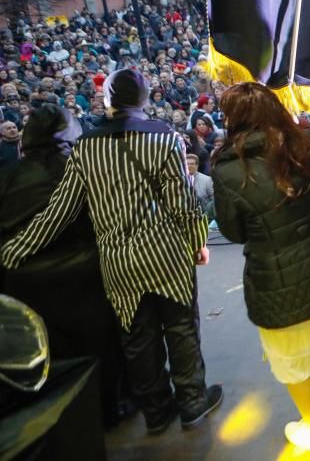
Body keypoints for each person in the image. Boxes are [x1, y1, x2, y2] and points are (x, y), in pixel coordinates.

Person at [0, 69, 222, 434]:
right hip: (166, 254)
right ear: (145, 99)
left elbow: (60, 211)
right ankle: (193, 405)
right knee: (180, 328)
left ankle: (156, 413)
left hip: (117, 261)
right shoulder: (164, 138)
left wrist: (16, 249)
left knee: (137, 338)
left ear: (107, 102)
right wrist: (197, 241)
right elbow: (182, 205)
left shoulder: (85, 148)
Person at [211, 83, 310, 452]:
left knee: (292, 357)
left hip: (280, 280)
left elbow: (233, 232)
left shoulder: (228, 170)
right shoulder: (305, 141)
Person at [0, 104, 125, 427]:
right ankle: (110, 412)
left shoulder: (7, 177)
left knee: (43, 356)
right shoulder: (88, 171)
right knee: (103, 351)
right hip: (88, 277)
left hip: (22, 285)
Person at [185, 153, 215, 222]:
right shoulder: (178, 180)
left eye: (192, 164)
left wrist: (206, 216)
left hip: (204, 217)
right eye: (187, 164)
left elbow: (214, 201)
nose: (189, 166)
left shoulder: (207, 180)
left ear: (197, 165)